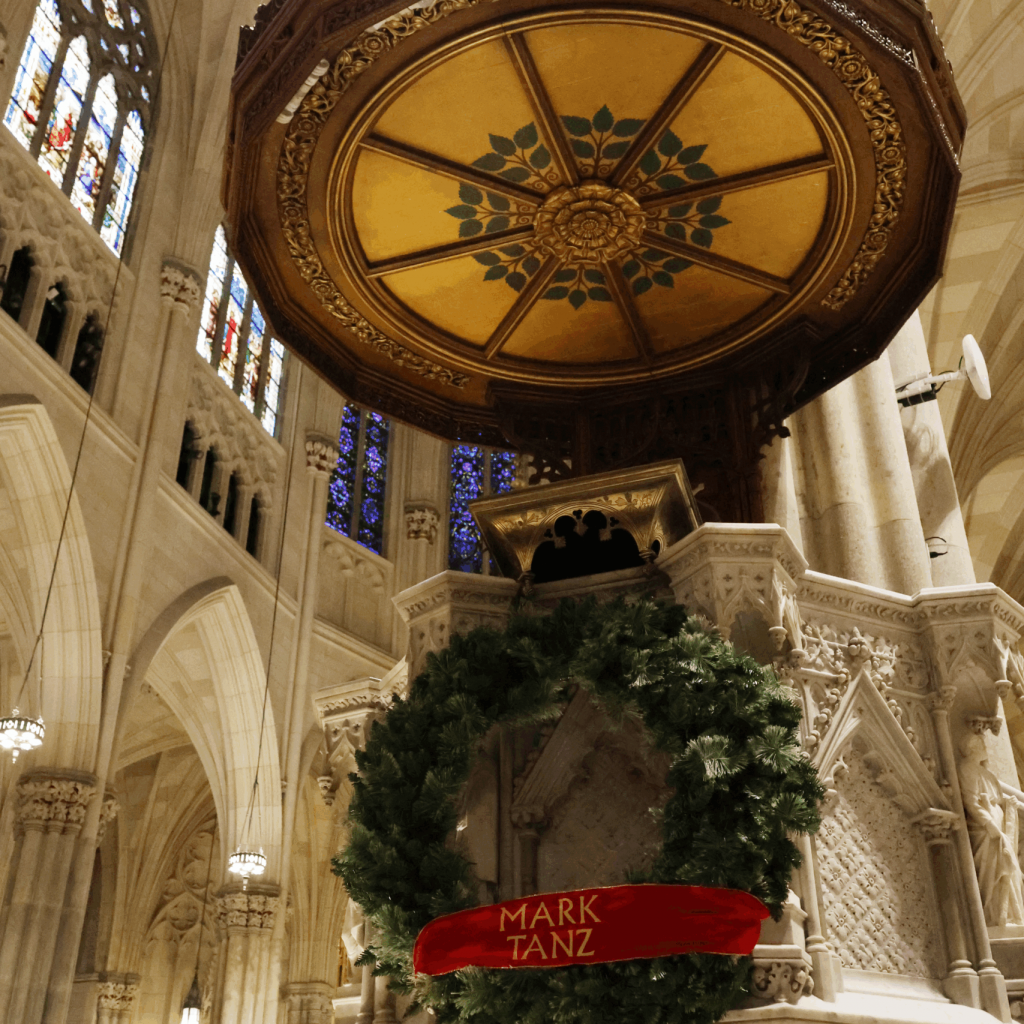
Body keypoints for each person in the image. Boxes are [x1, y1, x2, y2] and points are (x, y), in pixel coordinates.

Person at [959, 731, 1024, 927]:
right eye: (982, 744)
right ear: (973, 749)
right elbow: (971, 802)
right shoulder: (967, 768)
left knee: (1010, 870)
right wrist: (989, 824)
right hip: (986, 832)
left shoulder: (985, 772)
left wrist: (1010, 803)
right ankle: (995, 917)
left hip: (1000, 829)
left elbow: (998, 796)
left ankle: (1011, 916)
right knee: (994, 873)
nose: (986, 748)